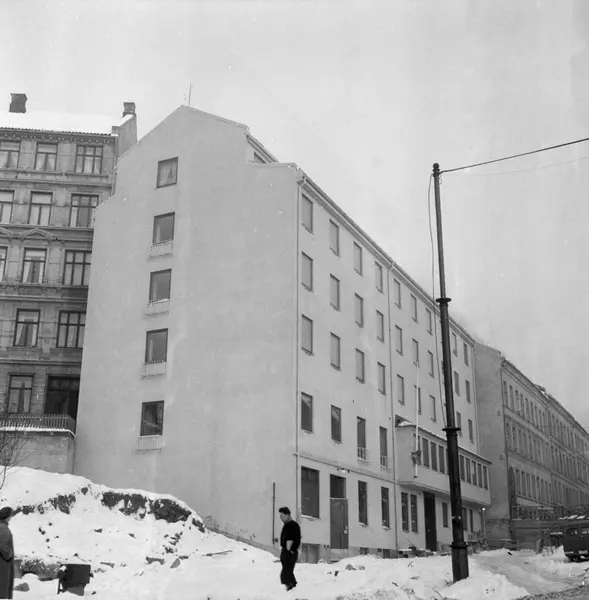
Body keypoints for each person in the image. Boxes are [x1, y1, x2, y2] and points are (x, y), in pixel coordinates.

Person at [278, 506, 301, 591]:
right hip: (285, 552)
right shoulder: (286, 525)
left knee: (285, 574)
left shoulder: (294, 525)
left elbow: (297, 539)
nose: (281, 518)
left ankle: (291, 588)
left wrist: (292, 550)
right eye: (280, 516)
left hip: (290, 552)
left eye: (282, 515)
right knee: (287, 572)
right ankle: (293, 588)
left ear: (287, 515)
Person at [0, 507, 14, 600]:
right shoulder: (3, 528)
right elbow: (2, 546)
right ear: (7, 516)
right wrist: (9, 554)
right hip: (3, 564)